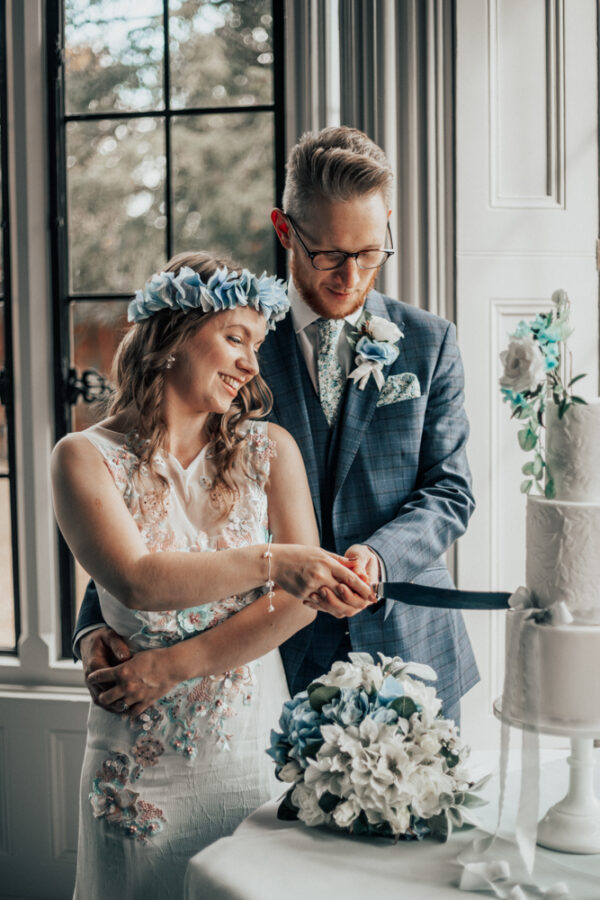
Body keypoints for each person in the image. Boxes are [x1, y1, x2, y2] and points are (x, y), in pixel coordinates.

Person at [75, 125, 479, 729]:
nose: (351, 276)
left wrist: (376, 555)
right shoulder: (227, 347)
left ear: (387, 223)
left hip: (414, 649)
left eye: (370, 252)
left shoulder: (430, 342)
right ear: (284, 228)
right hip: (274, 664)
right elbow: (159, 498)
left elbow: (451, 491)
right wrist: (95, 622)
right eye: (329, 255)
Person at [52, 251, 374, 899]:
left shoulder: (270, 449)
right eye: (235, 338)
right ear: (172, 337)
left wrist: (173, 664)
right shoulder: (82, 458)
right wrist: (274, 561)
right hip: (138, 767)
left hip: (247, 755)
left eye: (257, 345)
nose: (252, 363)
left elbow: (302, 601)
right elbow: (139, 581)